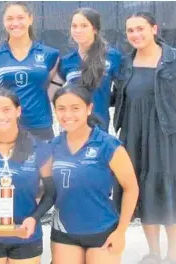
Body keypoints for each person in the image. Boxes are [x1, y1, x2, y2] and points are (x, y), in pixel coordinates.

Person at [112, 12, 176, 264]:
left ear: (154, 29)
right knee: (143, 191)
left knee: (171, 193)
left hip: (169, 135)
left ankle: (174, 255)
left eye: (141, 28)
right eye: (130, 30)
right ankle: (154, 253)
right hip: (133, 134)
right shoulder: (124, 63)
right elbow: (115, 97)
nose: (136, 34)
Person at [50, 85, 139, 264]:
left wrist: (121, 232)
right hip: (64, 231)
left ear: (89, 109)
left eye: (75, 108)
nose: (68, 115)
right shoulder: (52, 146)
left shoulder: (108, 144)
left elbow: (131, 188)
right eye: (61, 109)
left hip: (103, 231)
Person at [0, 88, 55, 264]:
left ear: (18, 111)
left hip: (26, 234)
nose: (0, 116)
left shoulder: (40, 149)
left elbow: (51, 193)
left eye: (6, 109)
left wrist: (34, 218)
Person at [0, 2, 59, 141]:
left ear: (30, 19)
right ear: (3, 21)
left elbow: (53, 90)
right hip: (6, 127)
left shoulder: (50, 55)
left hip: (40, 127)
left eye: (20, 18)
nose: (15, 23)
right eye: (10, 18)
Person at [50, 7, 122, 131]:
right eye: (74, 26)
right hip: (71, 129)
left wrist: (105, 99)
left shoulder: (113, 57)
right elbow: (52, 93)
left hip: (99, 129)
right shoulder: (67, 61)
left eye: (84, 26)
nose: (78, 30)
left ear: (94, 29)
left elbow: (123, 91)